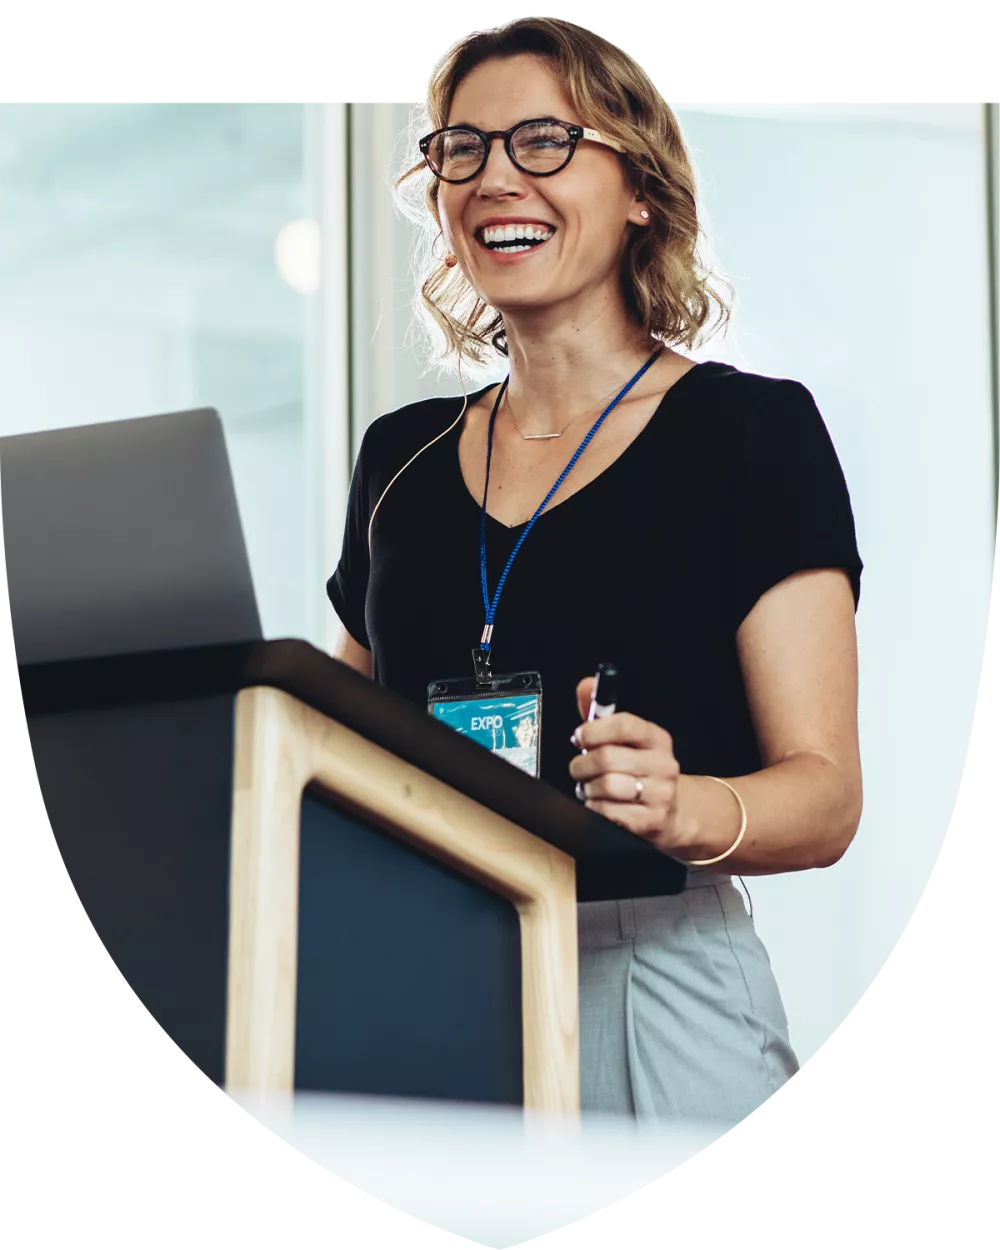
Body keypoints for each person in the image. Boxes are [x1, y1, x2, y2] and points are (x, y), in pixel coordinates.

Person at [328, 17, 863, 1126]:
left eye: (541, 141)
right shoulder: (399, 457)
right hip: (427, 975)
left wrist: (683, 802)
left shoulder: (750, 432)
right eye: (458, 150)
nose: (490, 179)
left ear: (639, 189)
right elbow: (339, 744)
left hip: (650, 972)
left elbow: (823, 796)